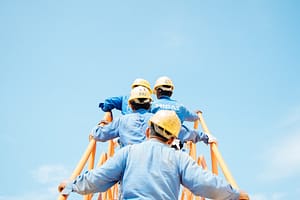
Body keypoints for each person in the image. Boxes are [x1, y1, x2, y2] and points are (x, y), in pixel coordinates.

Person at [58, 110, 249, 200]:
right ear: (171, 139)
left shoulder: (127, 153)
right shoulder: (179, 158)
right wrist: (234, 194)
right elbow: (204, 182)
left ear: (148, 132)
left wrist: (71, 186)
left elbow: (99, 178)